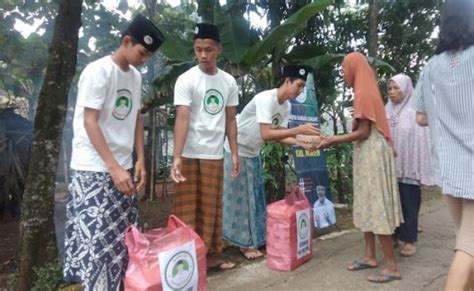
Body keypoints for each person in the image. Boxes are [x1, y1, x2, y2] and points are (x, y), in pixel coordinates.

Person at [63, 14, 165, 290]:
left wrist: (140, 159)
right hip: (93, 168)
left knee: (123, 237)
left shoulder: (134, 76)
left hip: (122, 165)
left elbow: (135, 117)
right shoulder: (98, 72)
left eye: (148, 56)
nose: (145, 60)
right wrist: (113, 167)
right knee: (97, 240)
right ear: (126, 41)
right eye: (142, 53)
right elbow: (89, 121)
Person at [318, 52, 403, 283]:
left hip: (372, 152)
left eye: (345, 68)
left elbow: (364, 132)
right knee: (366, 202)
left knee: (376, 205)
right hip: (367, 153)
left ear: (354, 68)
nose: (343, 73)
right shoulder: (363, 90)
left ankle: (392, 266)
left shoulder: (364, 93)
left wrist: (332, 139)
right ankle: (369, 256)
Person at [222, 65, 320, 259]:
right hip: (236, 150)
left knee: (256, 198)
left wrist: (301, 142)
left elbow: (280, 136)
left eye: (302, 87)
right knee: (240, 201)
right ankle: (245, 245)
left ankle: (257, 240)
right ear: (287, 81)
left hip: (253, 151)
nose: (300, 90)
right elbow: (266, 133)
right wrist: (299, 130)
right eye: (298, 85)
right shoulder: (266, 99)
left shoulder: (286, 106)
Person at [413, 1, 474, 289]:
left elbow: (421, 117)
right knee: (468, 247)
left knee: (467, 243)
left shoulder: (431, 67)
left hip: (449, 170)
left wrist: (446, 117)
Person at [171, 23, 239, 270]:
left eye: (208, 50)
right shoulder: (186, 79)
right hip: (189, 152)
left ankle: (209, 256)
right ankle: (186, 260)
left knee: (210, 207)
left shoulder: (228, 82)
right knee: (187, 208)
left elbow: (230, 119)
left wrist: (234, 153)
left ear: (219, 49)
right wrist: (176, 156)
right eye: (199, 49)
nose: (203, 55)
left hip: (213, 153)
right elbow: (182, 117)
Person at [385, 73, 435, 257]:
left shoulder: (415, 111)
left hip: (409, 166)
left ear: (406, 89)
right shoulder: (386, 110)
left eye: (396, 88)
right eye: (389, 88)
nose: (392, 92)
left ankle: (409, 240)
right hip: (391, 167)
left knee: (409, 203)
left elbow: (422, 139)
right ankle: (394, 234)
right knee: (392, 202)